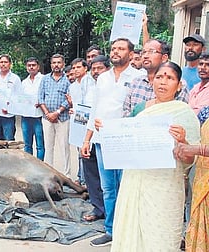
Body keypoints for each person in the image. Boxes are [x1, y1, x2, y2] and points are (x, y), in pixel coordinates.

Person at [111, 61, 200, 251]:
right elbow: (128, 143)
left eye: (170, 78)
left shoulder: (185, 114)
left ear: (179, 85)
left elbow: (190, 160)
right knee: (131, 229)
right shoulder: (140, 110)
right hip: (135, 180)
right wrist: (109, 133)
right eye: (159, 77)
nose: (163, 82)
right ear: (152, 81)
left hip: (166, 186)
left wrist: (183, 141)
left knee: (162, 235)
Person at [81, 38, 142, 247]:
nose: (116, 52)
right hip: (101, 140)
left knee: (126, 186)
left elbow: (139, 111)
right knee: (108, 188)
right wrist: (87, 139)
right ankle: (110, 230)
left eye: (121, 48)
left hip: (125, 141)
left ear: (131, 54)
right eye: (114, 48)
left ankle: (126, 230)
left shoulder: (138, 77)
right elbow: (95, 110)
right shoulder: (103, 78)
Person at [123, 39, 189, 116]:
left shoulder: (178, 85)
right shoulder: (136, 82)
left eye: (151, 51)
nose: (146, 56)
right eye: (144, 52)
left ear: (164, 58)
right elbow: (127, 114)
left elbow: (180, 114)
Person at [175, 106, 209, 252]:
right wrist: (184, 144)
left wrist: (196, 149)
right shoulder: (206, 111)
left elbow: (198, 148)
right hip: (203, 181)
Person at [80, 55, 110, 222]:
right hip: (91, 135)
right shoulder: (90, 85)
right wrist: (86, 140)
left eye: (100, 68)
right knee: (91, 174)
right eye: (94, 68)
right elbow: (91, 114)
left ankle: (110, 212)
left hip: (109, 138)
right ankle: (98, 208)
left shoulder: (113, 84)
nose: (96, 71)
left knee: (108, 181)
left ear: (108, 68)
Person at [38, 54, 71, 178]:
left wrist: (57, 112)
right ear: (51, 65)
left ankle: (66, 175)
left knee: (64, 147)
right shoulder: (45, 79)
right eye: (54, 63)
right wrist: (47, 113)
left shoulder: (67, 79)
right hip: (47, 118)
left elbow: (69, 98)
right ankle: (48, 173)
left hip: (62, 118)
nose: (56, 65)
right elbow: (40, 97)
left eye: (59, 62)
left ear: (63, 64)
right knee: (48, 145)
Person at [67, 58, 96, 186]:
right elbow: (74, 103)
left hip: (87, 120)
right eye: (74, 68)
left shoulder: (90, 82)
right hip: (76, 120)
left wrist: (77, 109)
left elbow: (88, 104)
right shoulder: (72, 86)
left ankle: (86, 180)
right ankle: (80, 176)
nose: (76, 70)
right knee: (79, 150)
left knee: (87, 150)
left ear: (85, 68)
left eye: (78, 67)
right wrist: (72, 108)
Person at [18, 57, 45, 160]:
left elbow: (47, 95)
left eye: (33, 65)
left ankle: (40, 166)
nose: (31, 67)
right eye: (29, 65)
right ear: (26, 67)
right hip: (26, 116)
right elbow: (20, 98)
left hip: (39, 116)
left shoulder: (44, 79)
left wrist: (41, 102)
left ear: (38, 67)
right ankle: (29, 165)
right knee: (27, 144)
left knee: (40, 145)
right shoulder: (24, 82)